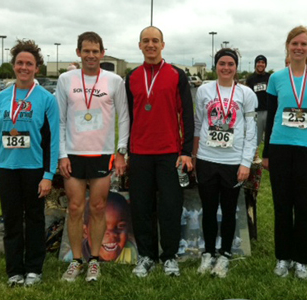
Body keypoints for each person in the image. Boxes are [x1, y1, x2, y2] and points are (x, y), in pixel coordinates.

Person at [56, 31, 129, 282]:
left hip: (102, 154)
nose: (90, 55)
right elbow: (60, 120)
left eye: (95, 51)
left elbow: (124, 117)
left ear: (102, 53)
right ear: (78, 52)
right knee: (75, 209)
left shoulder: (114, 80)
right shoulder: (66, 79)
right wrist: (62, 154)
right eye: (86, 50)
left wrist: (121, 151)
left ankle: (94, 261)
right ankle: (76, 261)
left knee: (98, 208)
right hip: (74, 154)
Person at [0, 39, 60, 287]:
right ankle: (14, 270)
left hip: (34, 169)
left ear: (37, 68)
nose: (24, 67)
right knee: (12, 219)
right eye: (20, 63)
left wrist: (48, 175)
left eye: (29, 63)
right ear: (14, 65)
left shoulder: (46, 99)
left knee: (36, 220)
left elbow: (52, 140)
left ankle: (34, 269)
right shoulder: (0, 98)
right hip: (6, 169)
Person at [261, 26, 307, 280]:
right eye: (294, 43)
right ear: (288, 46)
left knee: (303, 206)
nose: (299, 47)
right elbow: (269, 121)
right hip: (280, 147)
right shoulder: (276, 78)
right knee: (281, 205)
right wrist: (266, 153)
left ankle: (302, 259)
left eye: (303, 44)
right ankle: (283, 257)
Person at [125, 26, 194, 277]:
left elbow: (186, 113)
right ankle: (146, 256)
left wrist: (186, 151)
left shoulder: (177, 75)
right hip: (140, 152)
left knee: (170, 206)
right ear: (140, 45)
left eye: (155, 41)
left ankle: (170, 256)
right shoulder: (132, 77)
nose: (150, 45)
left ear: (162, 45)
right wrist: (125, 151)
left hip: (170, 153)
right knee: (141, 207)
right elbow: (128, 117)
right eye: (146, 41)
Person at [193, 48, 257, 278]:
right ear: (216, 65)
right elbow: (198, 123)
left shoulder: (246, 94)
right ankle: (209, 252)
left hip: (233, 161)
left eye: (231, 64)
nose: (226, 68)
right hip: (207, 159)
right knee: (209, 210)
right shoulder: (204, 90)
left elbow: (251, 130)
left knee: (229, 210)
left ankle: (226, 254)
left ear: (236, 67)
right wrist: (193, 154)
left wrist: (246, 162)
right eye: (222, 63)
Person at [82, 192, 137, 263]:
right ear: (86, 230)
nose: (112, 233)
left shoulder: (130, 251)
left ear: (128, 227)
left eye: (120, 226)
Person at [246, 55, 270, 146]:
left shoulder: (270, 77)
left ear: (265, 65)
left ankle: (269, 158)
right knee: (256, 138)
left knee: (269, 138)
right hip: (256, 112)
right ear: (255, 64)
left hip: (268, 111)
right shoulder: (250, 79)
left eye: (263, 62)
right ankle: (254, 157)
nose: (260, 64)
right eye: (258, 62)